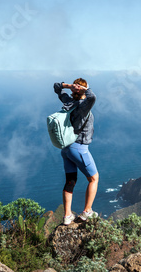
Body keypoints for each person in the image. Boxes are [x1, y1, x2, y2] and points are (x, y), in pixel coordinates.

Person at [53, 78, 98, 225]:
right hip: (79, 148)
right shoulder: (83, 106)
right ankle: (87, 212)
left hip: (66, 149)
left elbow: (57, 87)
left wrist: (69, 86)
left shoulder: (68, 102)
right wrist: (83, 89)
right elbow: (93, 96)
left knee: (70, 181)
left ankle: (67, 216)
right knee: (93, 178)